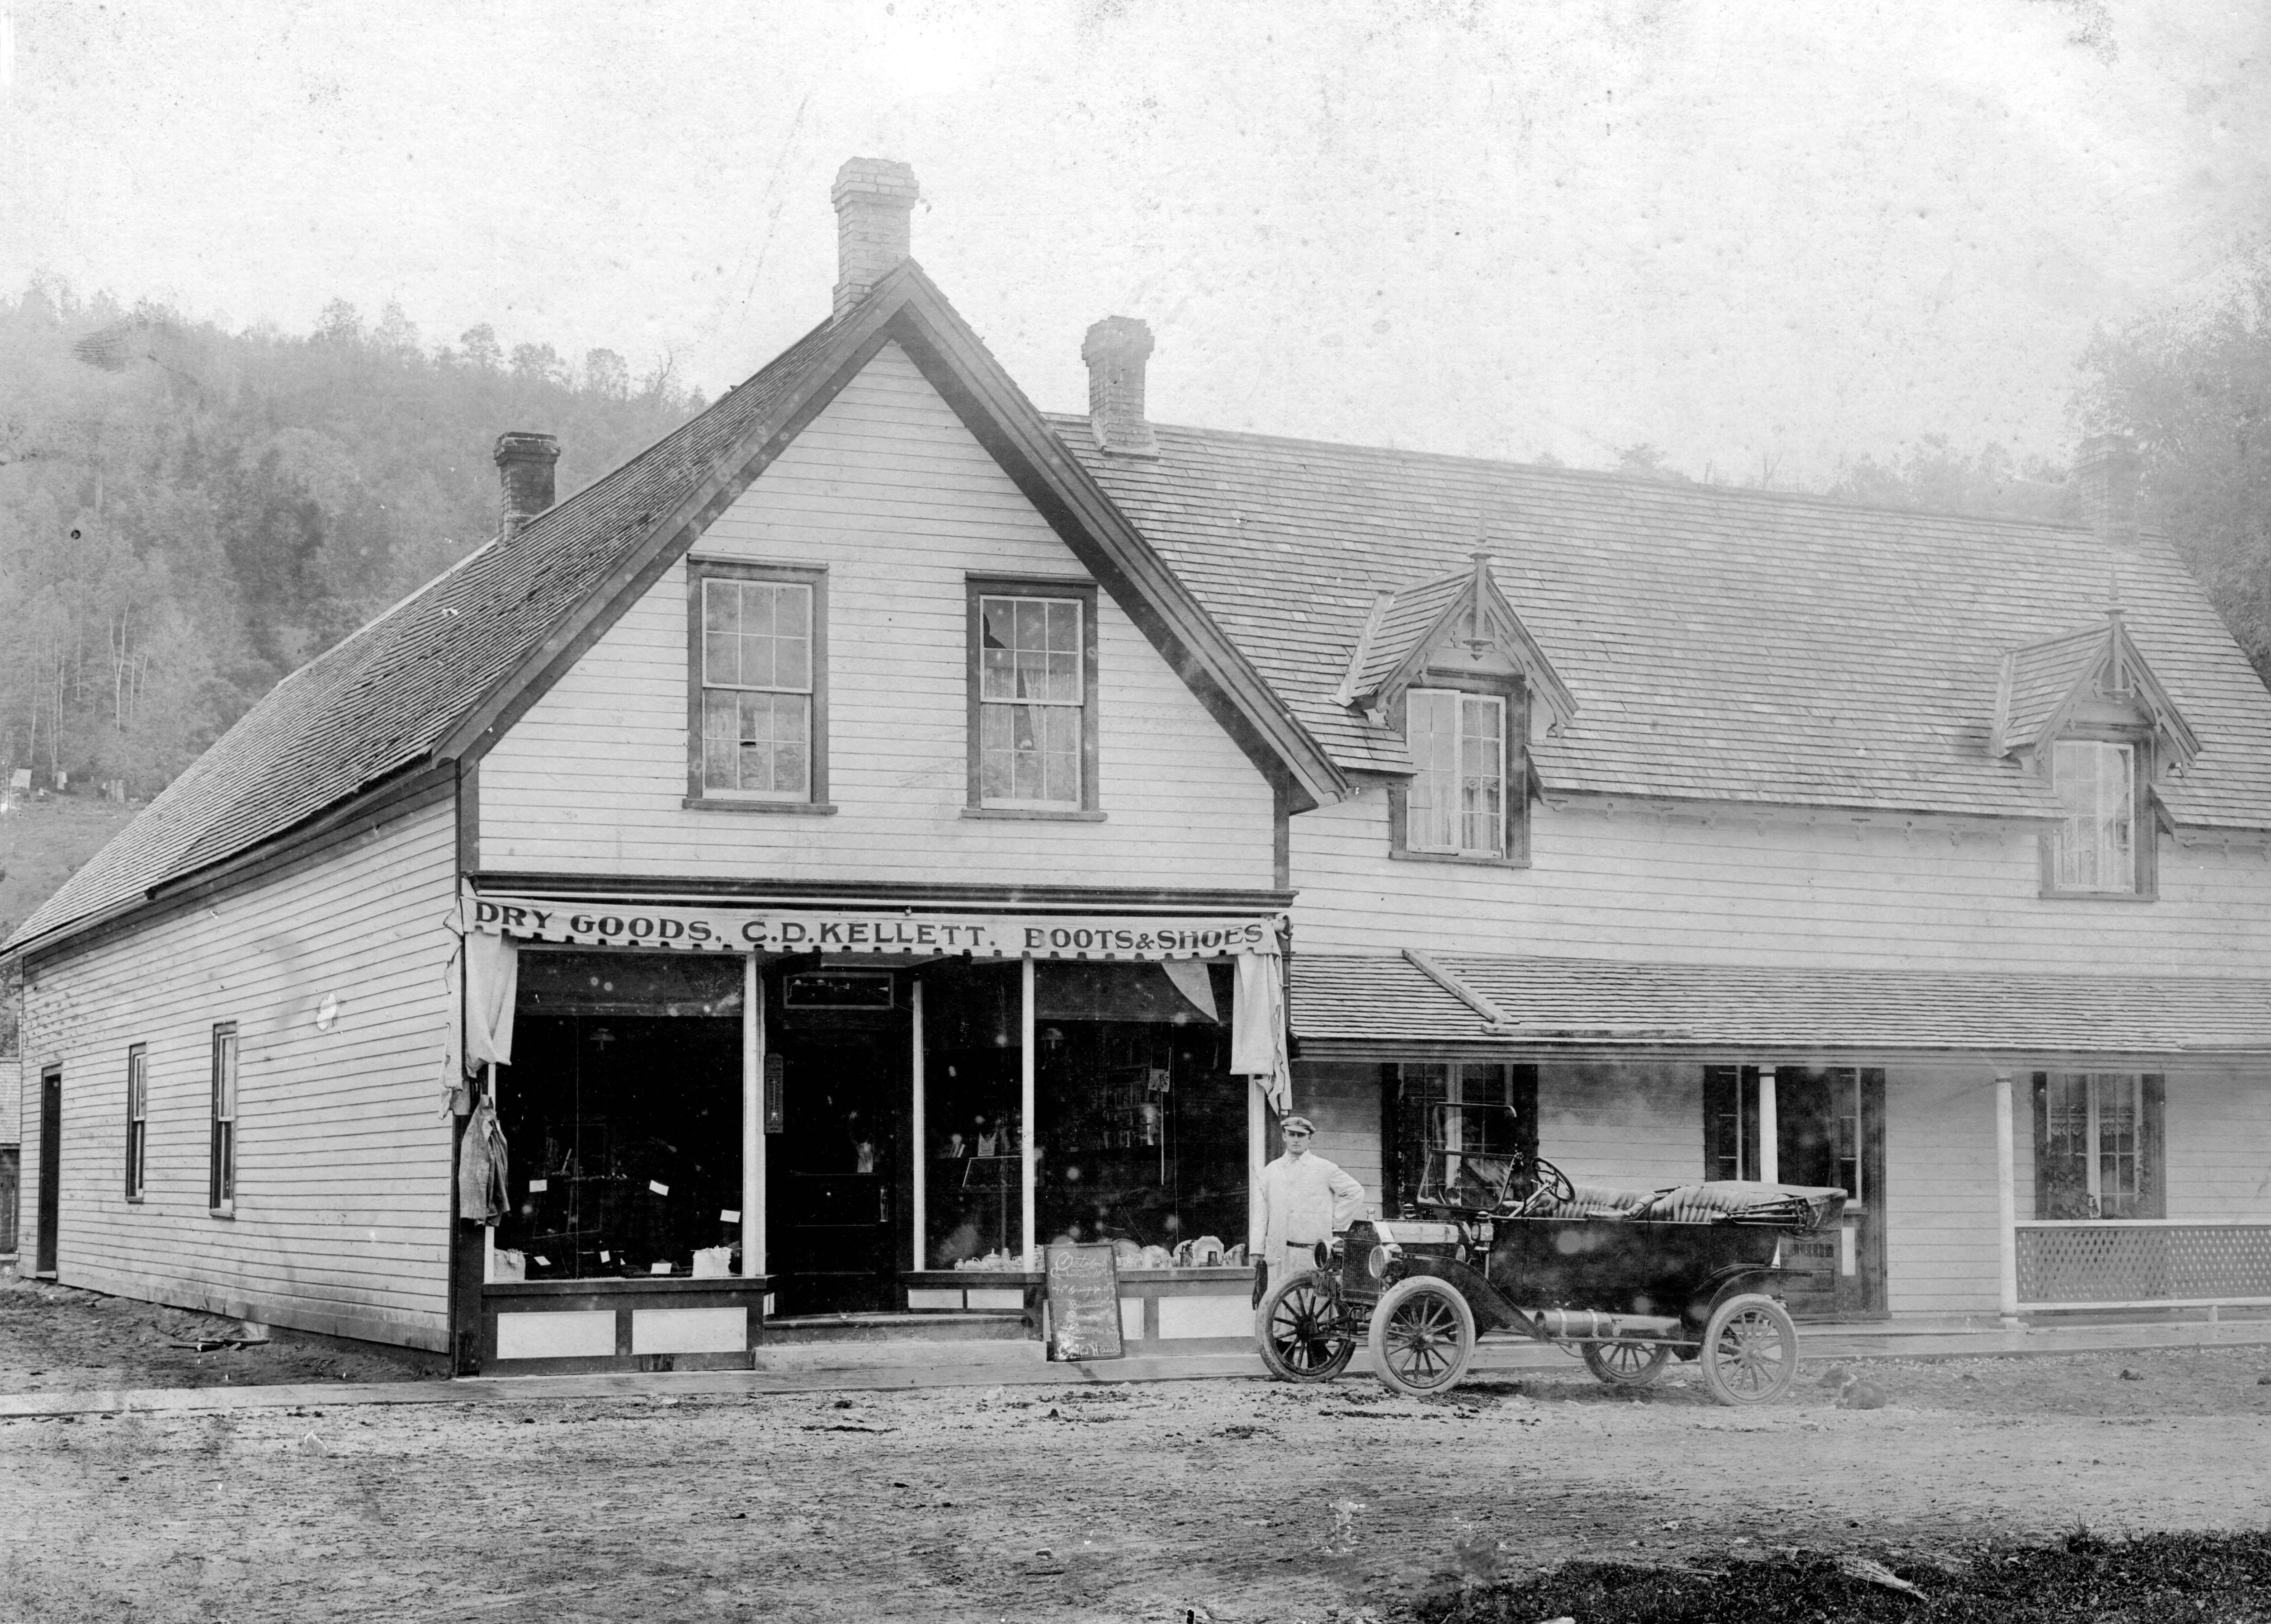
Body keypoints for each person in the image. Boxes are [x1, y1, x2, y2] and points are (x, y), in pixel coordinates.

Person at [1255, 1115, 1364, 1305]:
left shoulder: (1324, 1168)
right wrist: (1256, 1249)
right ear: (1284, 1137)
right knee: (1280, 1305)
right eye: (1292, 1134)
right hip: (1280, 1252)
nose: (1296, 1139)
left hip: (1312, 1252)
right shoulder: (1271, 1171)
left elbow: (1355, 1192)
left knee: (1314, 1305)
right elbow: (1261, 1213)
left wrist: (1334, 1222)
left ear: (1309, 1139)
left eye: (1301, 1135)